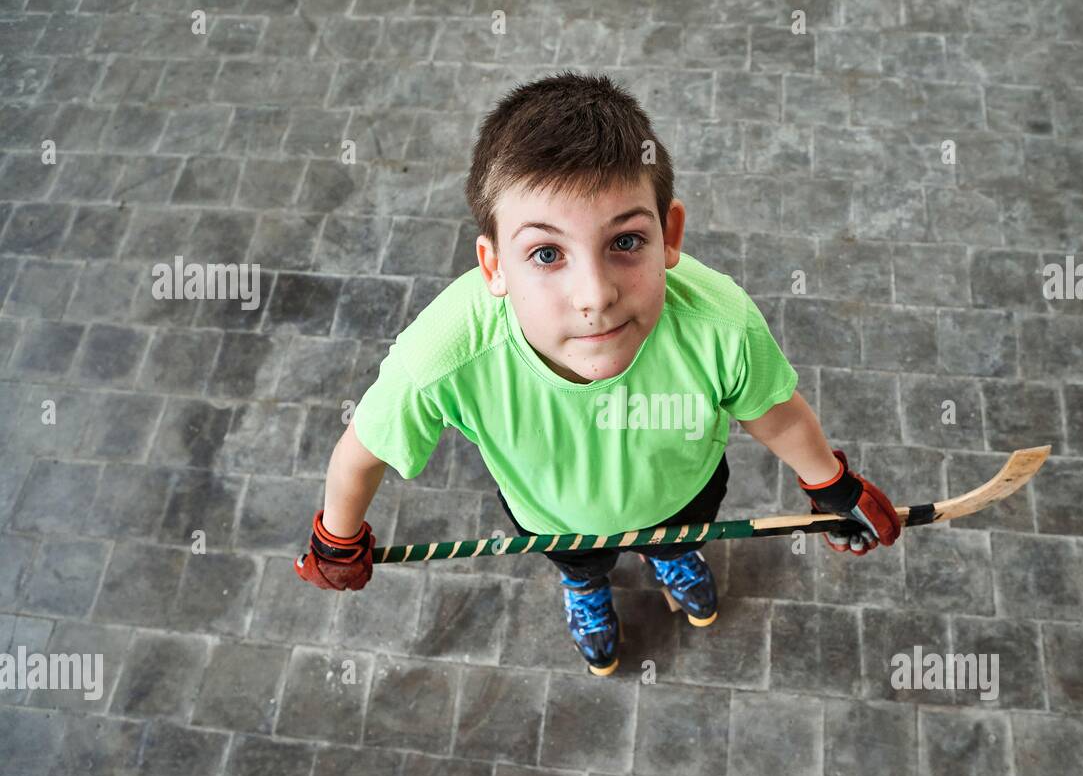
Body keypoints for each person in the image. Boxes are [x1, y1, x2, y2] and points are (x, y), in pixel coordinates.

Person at [295, 71, 900, 676]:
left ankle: (674, 555)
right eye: (547, 254)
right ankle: (586, 589)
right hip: (555, 524)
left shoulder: (722, 324)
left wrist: (832, 485)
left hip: (683, 494)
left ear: (669, 236)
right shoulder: (444, 355)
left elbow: (775, 412)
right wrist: (337, 539)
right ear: (494, 266)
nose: (595, 295)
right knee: (582, 563)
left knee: (683, 533)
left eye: (627, 241)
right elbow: (361, 454)